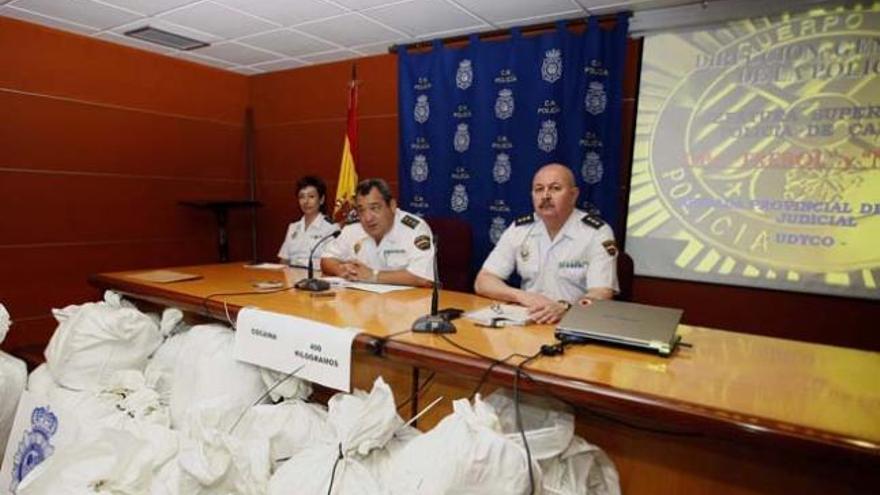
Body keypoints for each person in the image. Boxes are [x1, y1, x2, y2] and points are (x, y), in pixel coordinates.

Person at [474, 163, 619, 324]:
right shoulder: (520, 229)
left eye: (555, 188)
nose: (546, 196)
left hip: (574, 322)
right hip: (528, 321)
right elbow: (483, 281)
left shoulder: (597, 233)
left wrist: (564, 307)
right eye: (539, 189)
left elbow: (602, 293)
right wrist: (523, 296)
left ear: (573, 195)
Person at [321, 178, 434, 287]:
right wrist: (344, 271)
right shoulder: (354, 228)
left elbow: (424, 278)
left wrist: (373, 276)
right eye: (361, 210)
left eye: (374, 208)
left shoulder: (414, 229)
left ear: (392, 206)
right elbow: (326, 259)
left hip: (406, 302)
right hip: (364, 301)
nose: (368, 218)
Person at [277, 176, 339, 267]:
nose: (306, 201)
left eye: (311, 196)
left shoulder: (332, 228)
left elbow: (333, 264)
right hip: (292, 278)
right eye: (302, 197)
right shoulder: (293, 227)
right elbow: (284, 260)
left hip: (316, 278)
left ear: (321, 200)